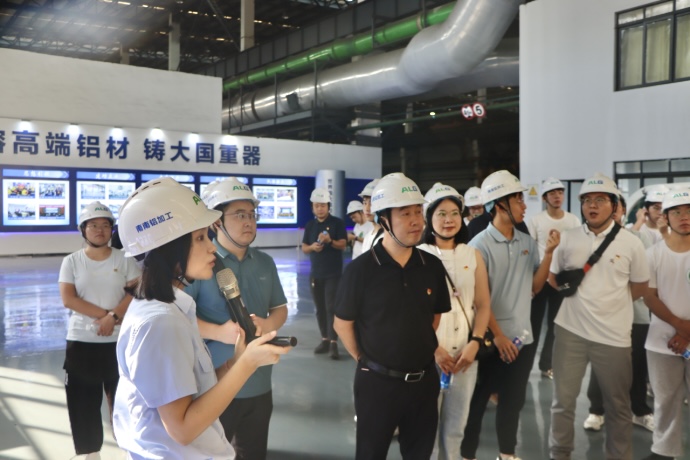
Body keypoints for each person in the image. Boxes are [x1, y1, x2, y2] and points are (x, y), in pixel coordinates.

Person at [112, 177, 290, 459]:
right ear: (169, 247)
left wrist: (234, 362)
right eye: (200, 238)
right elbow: (182, 429)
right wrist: (248, 364)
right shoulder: (160, 322)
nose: (211, 247)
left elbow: (195, 391)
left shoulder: (170, 308)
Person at [334, 172, 451, 460]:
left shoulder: (432, 266)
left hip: (424, 382)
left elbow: (433, 317)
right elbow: (342, 323)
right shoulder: (361, 270)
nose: (416, 221)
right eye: (405, 213)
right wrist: (364, 359)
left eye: (418, 212)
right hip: (377, 384)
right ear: (384, 219)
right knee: (371, 453)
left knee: (420, 454)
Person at [185, 178, 288, 460]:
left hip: (259, 382)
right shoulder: (201, 264)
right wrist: (218, 332)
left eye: (252, 215)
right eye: (239, 215)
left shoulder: (265, 262)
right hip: (213, 384)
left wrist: (268, 324)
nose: (248, 222)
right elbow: (180, 318)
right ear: (216, 222)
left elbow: (280, 308)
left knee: (253, 452)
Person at [548, 173, 649, 460]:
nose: (592, 205)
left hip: (614, 336)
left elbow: (640, 286)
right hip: (570, 331)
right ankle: (559, 454)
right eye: (587, 200)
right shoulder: (568, 238)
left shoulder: (631, 243)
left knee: (617, 405)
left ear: (615, 205)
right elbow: (554, 279)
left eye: (600, 200)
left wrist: (611, 303)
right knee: (562, 402)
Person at [460, 170, 558, 460]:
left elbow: (535, 287)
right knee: (478, 402)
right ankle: (467, 455)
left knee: (512, 402)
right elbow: (479, 301)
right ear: (500, 204)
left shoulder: (526, 242)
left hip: (522, 339)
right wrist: (499, 336)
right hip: (489, 340)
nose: (524, 205)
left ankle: (507, 454)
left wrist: (549, 254)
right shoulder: (478, 246)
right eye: (518, 199)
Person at [58, 201, 140, 459]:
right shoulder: (72, 261)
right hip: (82, 342)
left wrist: (113, 317)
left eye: (105, 225)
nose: (100, 230)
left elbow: (135, 292)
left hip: (119, 341)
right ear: (83, 229)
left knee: (125, 401)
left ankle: (131, 449)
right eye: (93, 225)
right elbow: (69, 299)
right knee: (83, 404)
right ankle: (90, 453)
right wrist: (105, 317)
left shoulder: (124, 259)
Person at [417, 182, 491, 460]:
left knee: (457, 426)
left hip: (464, 357)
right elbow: (412, 312)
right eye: (441, 214)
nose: (448, 220)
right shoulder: (418, 255)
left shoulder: (472, 254)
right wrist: (434, 349)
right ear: (429, 218)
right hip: (427, 357)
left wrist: (475, 343)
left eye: (454, 213)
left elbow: (483, 305)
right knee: (426, 426)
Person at [583, 195, 655, 433]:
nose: (612, 211)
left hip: (637, 313)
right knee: (601, 363)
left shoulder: (638, 239)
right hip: (604, 316)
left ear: (622, 210)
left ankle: (639, 411)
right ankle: (596, 410)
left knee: (637, 364)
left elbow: (645, 275)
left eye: (616, 206)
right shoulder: (592, 241)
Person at [641, 188, 690, 460]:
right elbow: (649, 296)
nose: (684, 217)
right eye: (677, 212)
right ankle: (663, 451)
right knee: (665, 400)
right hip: (662, 343)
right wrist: (680, 325)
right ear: (667, 217)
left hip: (684, 338)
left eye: (689, 211)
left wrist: (686, 334)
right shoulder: (653, 254)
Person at [527, 178, 581, 380]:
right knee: (533, 324)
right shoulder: (536, 221)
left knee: (556, 324)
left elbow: (578, 248)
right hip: (541, 277)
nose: (557, 196)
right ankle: (525, 366)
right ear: (544, 198)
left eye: (560, 192)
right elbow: (530, 251)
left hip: (561, 277)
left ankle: (546, 364)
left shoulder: (573, 220)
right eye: (552, 193)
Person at [301, 187, 347, 359]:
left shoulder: (337, 223)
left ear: (328, 206)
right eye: (316, 206)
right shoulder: (310, 225)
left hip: (333, 273)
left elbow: (343, 244)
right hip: (316, 273)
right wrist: (312, 247)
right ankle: (325, 339)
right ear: (312, 207)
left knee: (331, 308)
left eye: (323, 205)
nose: (320, 209)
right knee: (320, 309)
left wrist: (330, 241)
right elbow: (304, 247)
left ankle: (334, 342)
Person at [359, 178, 384, 252]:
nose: (367, 208)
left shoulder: (387, 238)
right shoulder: (368, 236)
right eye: (365, 203)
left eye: (372, 203)